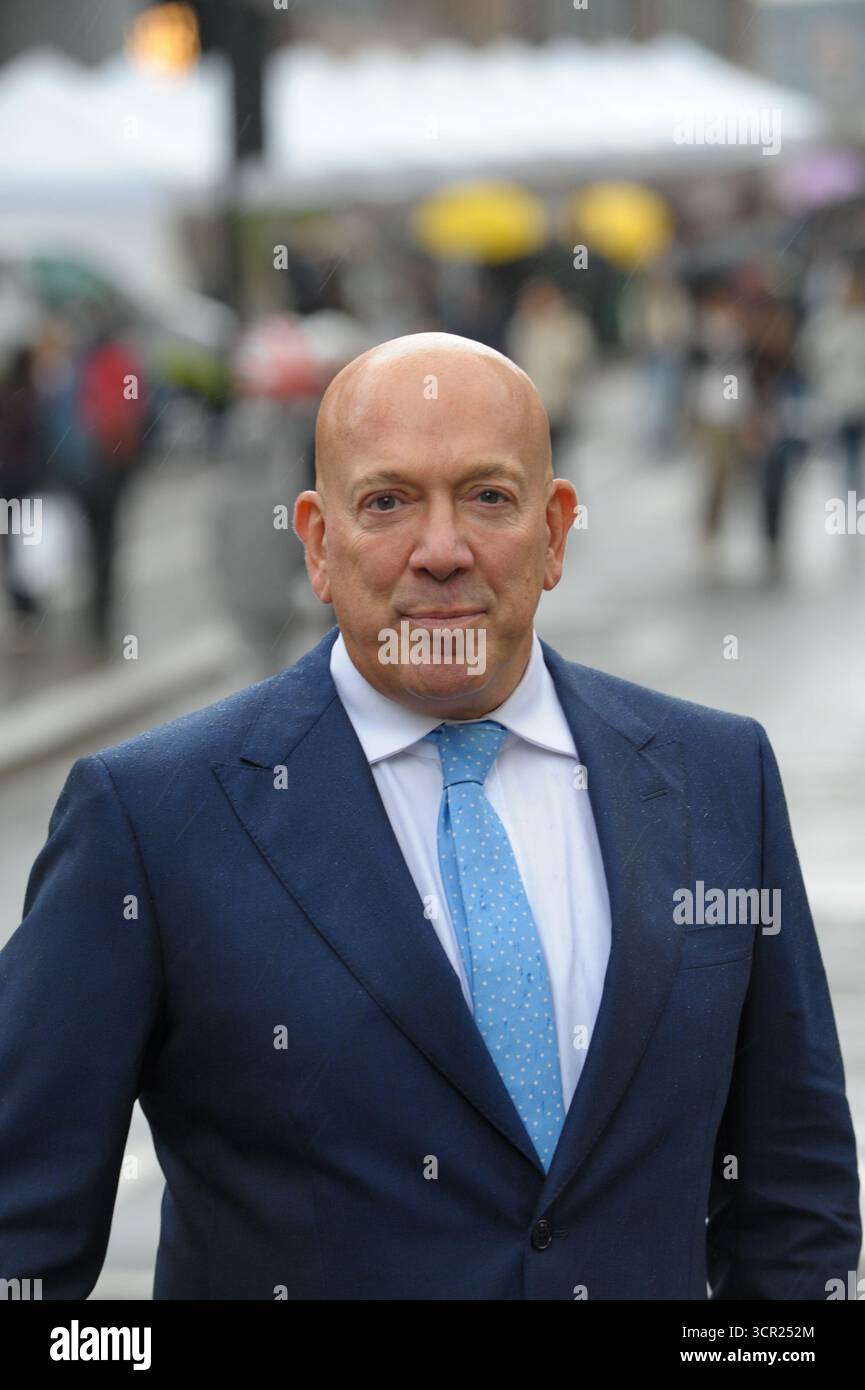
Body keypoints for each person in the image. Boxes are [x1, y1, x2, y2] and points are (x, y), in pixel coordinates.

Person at [0, 333, 859, 1301]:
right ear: (319, 544)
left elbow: (796, 1208)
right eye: (388, 501)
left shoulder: (719, 777)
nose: (441, 550)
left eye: (488, 497)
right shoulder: (151, 820)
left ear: (555, 530)